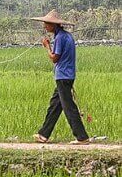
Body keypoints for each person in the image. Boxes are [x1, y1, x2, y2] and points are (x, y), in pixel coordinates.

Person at [31, 10, 90, 145]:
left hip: (63, 76)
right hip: (67, 75)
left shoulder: (59, 38)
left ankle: (82, 137)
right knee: (55, 105)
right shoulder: (67, 36)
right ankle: (43, 134)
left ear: (53, 25)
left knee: (69, 107)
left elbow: (54, 58)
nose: (45, 26)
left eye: (46, 23)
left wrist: (47, 46)